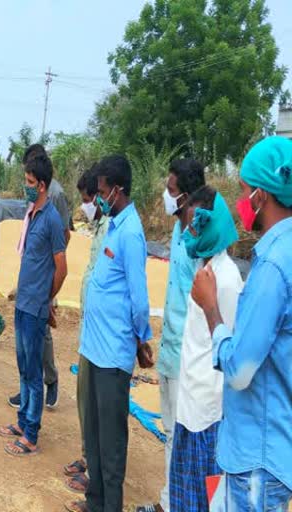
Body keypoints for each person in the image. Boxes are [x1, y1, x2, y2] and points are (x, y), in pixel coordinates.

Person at [191, 136, 292, 511]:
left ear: (262, 196)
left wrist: (211, 309)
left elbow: (239, 371)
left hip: (256, 461)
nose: (241, 200)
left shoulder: (271, 267)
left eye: (245, 190)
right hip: (273, 448)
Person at [80, 155, 153, 512]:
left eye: (104, 192)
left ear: (118, 190)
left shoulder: (132, 233)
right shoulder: (112, 224)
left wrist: (142, 339)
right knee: (92, 438)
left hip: (112, 355)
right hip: (93, 349)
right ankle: (94, 503)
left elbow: (140, 301)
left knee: (110, 445)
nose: (100, 198)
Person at [137, 159, 206, 512]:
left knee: (185, 437)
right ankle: (169, 501)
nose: (166, 195)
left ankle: (181, 503)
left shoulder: (200, 242)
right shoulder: (178, 233)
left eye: (171, 190)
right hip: (170, 349)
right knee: (169, 431)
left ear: (187, 196)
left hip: (189, 357)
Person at [168, 186, 242, 512]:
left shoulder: (226, 280)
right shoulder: (205, 269)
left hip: (208, 416)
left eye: (195, 226)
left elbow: (227, 347)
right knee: (184, 498)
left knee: (203, 500)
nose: (188, 232)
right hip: (189, 406)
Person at [0, 151, 67, 456]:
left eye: (28, 182)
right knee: (24, 366)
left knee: (34, 373)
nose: (24, 186)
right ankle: (23, 421)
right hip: (23, 303)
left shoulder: (51, 219)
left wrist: (46, 298)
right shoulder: (31, 214)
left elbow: (61, 267)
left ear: (41, 185)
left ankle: (32, 435)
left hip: (36, 306)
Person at [9, 143, 72, 411]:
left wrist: (47, 281)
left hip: (44, 279)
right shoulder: (33, 199)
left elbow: (62, 236)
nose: (27, 184)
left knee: (41, 336)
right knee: (26, 348)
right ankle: (27, 395)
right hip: (31, 275)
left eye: (30, 179)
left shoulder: (55, 196)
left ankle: (50, 381)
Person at [64, 166, 110, 508]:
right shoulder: (100, 227)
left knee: (98, 407)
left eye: (87, 200)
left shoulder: (117, 229)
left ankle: (96, 471)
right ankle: (87, 455)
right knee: (84, 402)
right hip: (90, 330)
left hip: (105, 337)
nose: (85, 207)